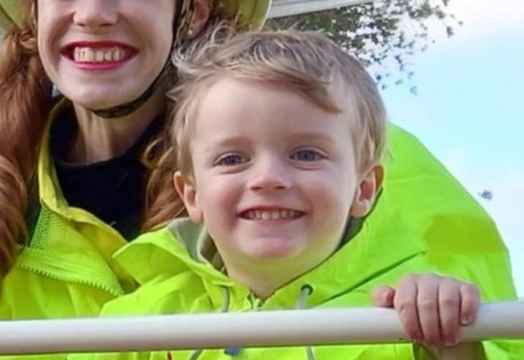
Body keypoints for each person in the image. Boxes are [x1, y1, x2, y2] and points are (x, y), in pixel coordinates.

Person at [0, 0, 517, 357]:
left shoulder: (372, 168)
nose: (94, 12)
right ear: (34, 11)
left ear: (195, 7)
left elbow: (493, 340)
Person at [74, 29, 507, 360]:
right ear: (192, 196)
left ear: (364, 188)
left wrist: (453, 339)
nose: (268, 178)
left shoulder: (406, 313)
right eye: (231, 159)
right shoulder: (139, 322)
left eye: (305, 153)